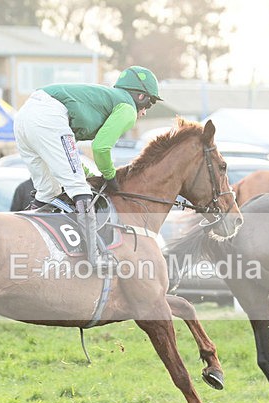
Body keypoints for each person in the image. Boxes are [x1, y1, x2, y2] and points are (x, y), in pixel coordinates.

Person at [13, 65, 161, 271]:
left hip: (24, 116)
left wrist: (89, 173)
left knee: (47, 193)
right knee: (80, 190)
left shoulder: (107, 98)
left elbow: (66, 154)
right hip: (48, 116)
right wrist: (111, 177)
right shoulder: (127, 108)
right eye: (150, 103)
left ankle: (15, 241)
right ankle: (95, 257)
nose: (145, 112)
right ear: (140, 96)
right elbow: (100, 148)